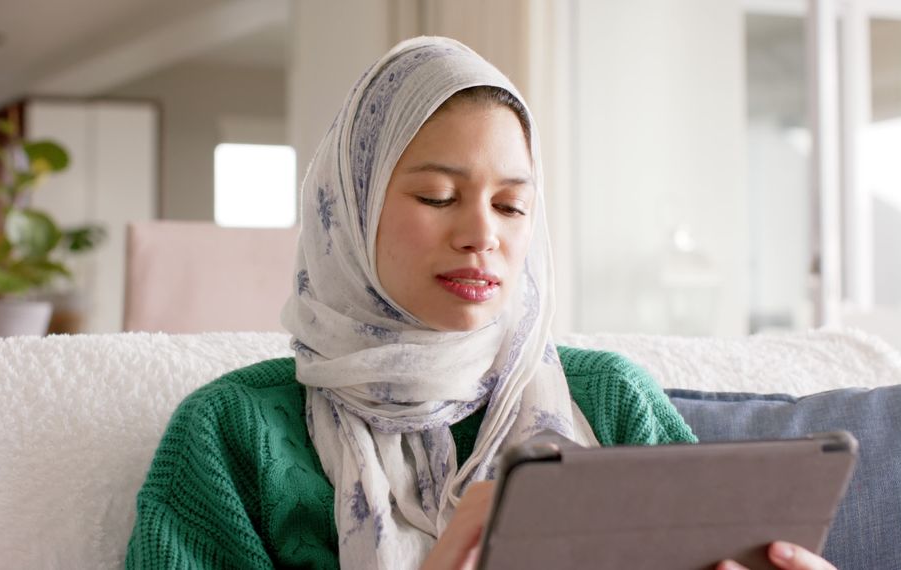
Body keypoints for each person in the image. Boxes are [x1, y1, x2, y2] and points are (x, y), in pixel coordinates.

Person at [125, 36, 835, 570]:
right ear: (353, 205)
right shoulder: (231, 434)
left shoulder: (612, 400)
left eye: (511, 205)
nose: (481, 236)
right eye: (438, 197)